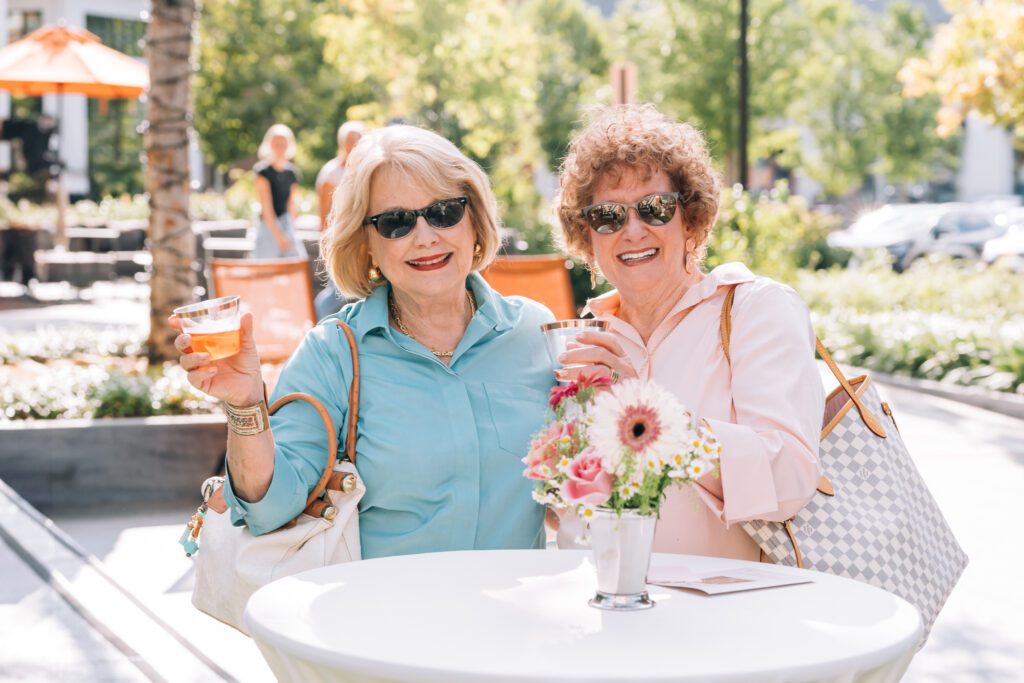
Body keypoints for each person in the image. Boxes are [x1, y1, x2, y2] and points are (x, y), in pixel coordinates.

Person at [173, 124, 555, 558]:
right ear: (367, 245)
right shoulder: (332, 353)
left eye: (445, 211)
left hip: (518, 619)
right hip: (383, 619)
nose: (426, 236)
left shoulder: (535, 333)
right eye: (396, 222)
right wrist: (245, 404)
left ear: (475, 221)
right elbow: (269, 507)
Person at [553, 104, 825, 562]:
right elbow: (570, 507)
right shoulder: (587, 338)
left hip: (726, 616)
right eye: (608, 216)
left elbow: (790, 479)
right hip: (609, 611)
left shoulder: (755, 308)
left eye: (654, 208)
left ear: (690, 217)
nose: (633, 230)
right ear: (588, 235)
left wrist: (648, 416)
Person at [314, 121, 367, 319]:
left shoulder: (365, 170)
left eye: (358, 140)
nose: (354, 144)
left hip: (362, 238)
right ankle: (319, 323)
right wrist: (327, 244)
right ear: (342, 143)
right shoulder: (331, 173)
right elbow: (323, 215)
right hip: (338, 238)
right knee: (337, 291)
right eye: (350, 140)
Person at [252, 124, 306, 259]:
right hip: (268, 227)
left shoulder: (291, 173)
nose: (280, 147)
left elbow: (291, 205)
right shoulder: (262, 172)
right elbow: (266, 207)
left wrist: (292, 230)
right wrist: (279, 236)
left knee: (296, 262)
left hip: (286, 223)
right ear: (269, 144)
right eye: (276, 143)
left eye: (283, 143)